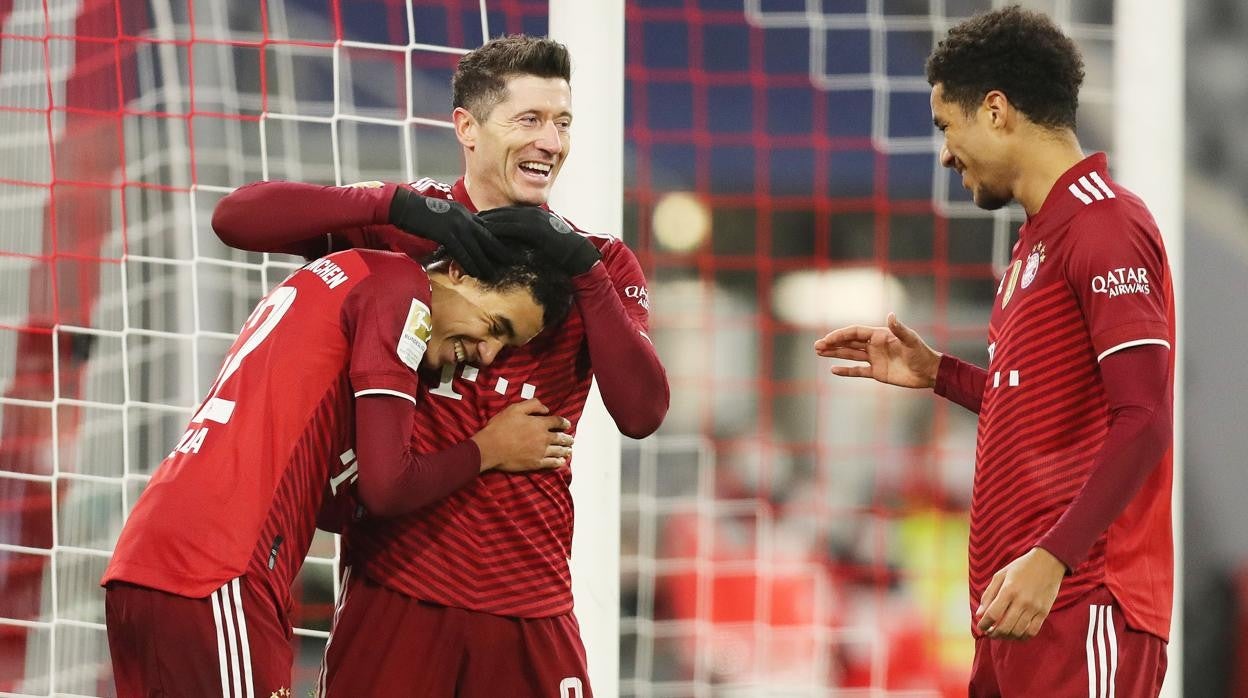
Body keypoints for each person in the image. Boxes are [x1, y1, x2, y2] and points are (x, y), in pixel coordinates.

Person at [211, 35, 669, 696]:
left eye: (562, 122)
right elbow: (236, 219)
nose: (551, 142)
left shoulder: (598, 260)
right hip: (394, 589)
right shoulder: (406, 225)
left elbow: (643, 412)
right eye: (529, 120)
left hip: (528, 601)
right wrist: (389, 204)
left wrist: (584, 270)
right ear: (468, 128)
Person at [814, 7, 1174, 697]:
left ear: (997, 111)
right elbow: (1056, 409)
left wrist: (1054, 560)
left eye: (947, 127)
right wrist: (940, 375)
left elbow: (1144, 418)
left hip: (1084, 600)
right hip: (1016, 610)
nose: (946, 153)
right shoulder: (1036, 244)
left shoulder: (1108, 225)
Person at [101, 218, 577, 698]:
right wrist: (489, 449)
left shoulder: (343, 275)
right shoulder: (405, 291)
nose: (488, 355)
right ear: (456, 272)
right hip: (217, 570)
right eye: (495, 326)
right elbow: (387, 486)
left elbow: (335, 497)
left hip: (147, 563)